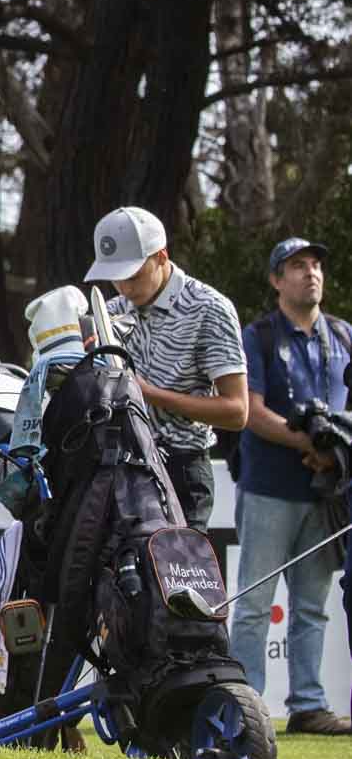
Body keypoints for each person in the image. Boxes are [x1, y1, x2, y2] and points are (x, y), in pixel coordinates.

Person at [225, 237, 351, 735]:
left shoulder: (342, 335)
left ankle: (309, 705)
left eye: (316, 265)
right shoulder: (257, 336)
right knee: (255, 603)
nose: (311, 273)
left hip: (326, 490)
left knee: (312, 607)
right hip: (269, 487)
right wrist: (309, 441)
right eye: (298, 266)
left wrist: (333, 451)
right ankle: (248, 703)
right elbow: (252, 412)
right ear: (277, 280)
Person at [84, 206, 248, 532]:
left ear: (161, 256)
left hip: (182, 469)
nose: (124, 288)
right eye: (115, 277)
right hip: (118, 467)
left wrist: (149, 394)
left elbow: (237, 412)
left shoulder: (209, 308)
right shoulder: (110, 311)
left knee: (176, 568)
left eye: (133, 275)